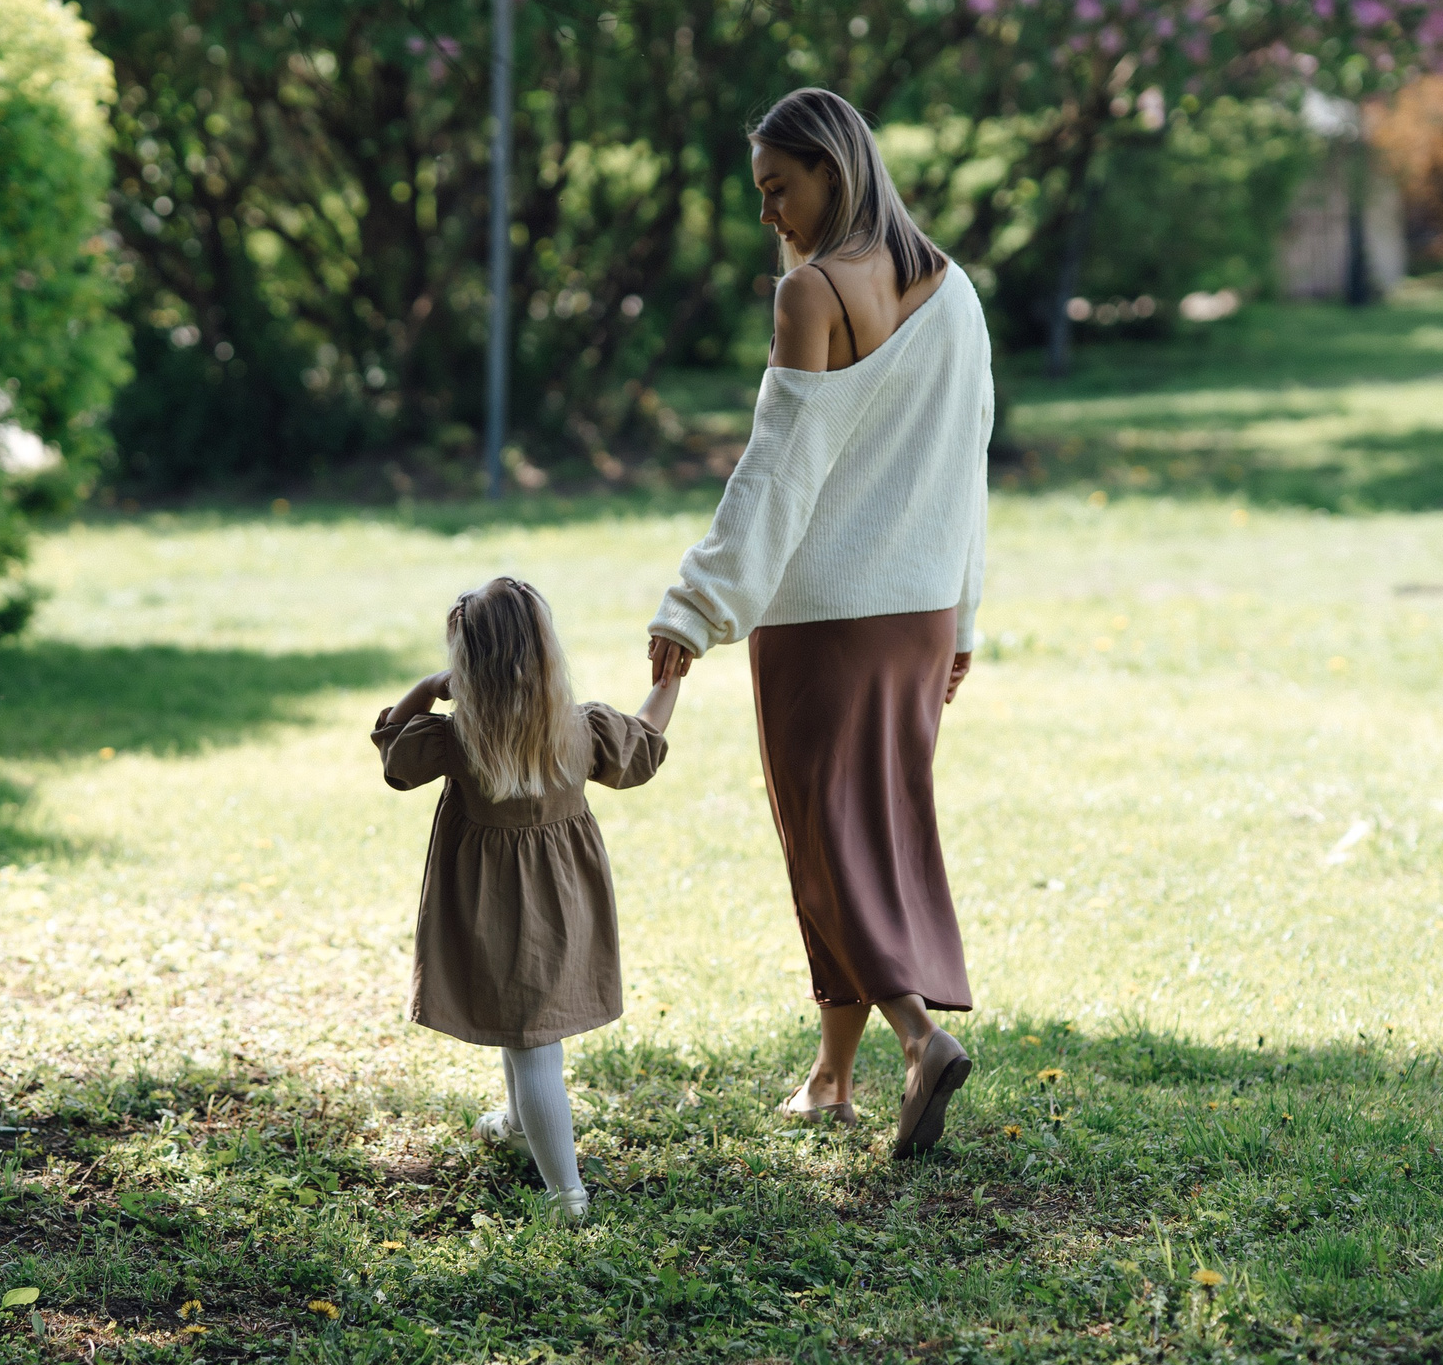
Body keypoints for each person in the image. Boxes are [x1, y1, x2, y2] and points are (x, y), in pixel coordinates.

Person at [646, 86, 992, 1160]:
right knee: (867, 830)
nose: (769, 215)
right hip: (921, 613)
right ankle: (829, 1078)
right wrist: (966, 619)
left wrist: (695, 607)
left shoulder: (811, 294)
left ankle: (914, 1037)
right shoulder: (958, 292)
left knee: (825, 844)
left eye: (777, 188)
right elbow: (964, 467)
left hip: (825, 617)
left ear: (830, 173)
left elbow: (775, 476)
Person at [374, 576, 680, 1224]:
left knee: (532, 1044)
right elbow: (646, 746)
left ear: (468, 672)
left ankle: (568, 1196)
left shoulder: (460, 738)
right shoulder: (581, 729)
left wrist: (428, 688)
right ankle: (517, 1122)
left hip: (489, 912)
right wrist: (671, 678)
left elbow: (394, 753)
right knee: (528, 1033)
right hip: (563, 909)